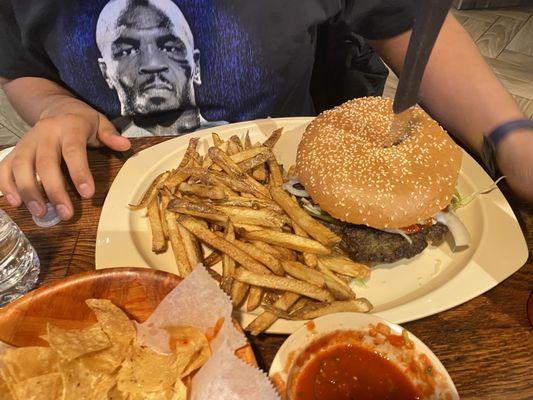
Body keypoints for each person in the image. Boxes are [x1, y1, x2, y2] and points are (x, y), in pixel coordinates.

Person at [0, 0, 531, 221]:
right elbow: (18, 63)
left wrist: (511, 135)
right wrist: (54, 108)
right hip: (107, 195)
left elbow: (408, 24)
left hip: (290, 187)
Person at [95, 0, 225, 136]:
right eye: (127, 52)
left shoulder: (231, 137)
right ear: (106, 73)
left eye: (170, 48)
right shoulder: (104, 153)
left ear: (196, 66)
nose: (153, 64)